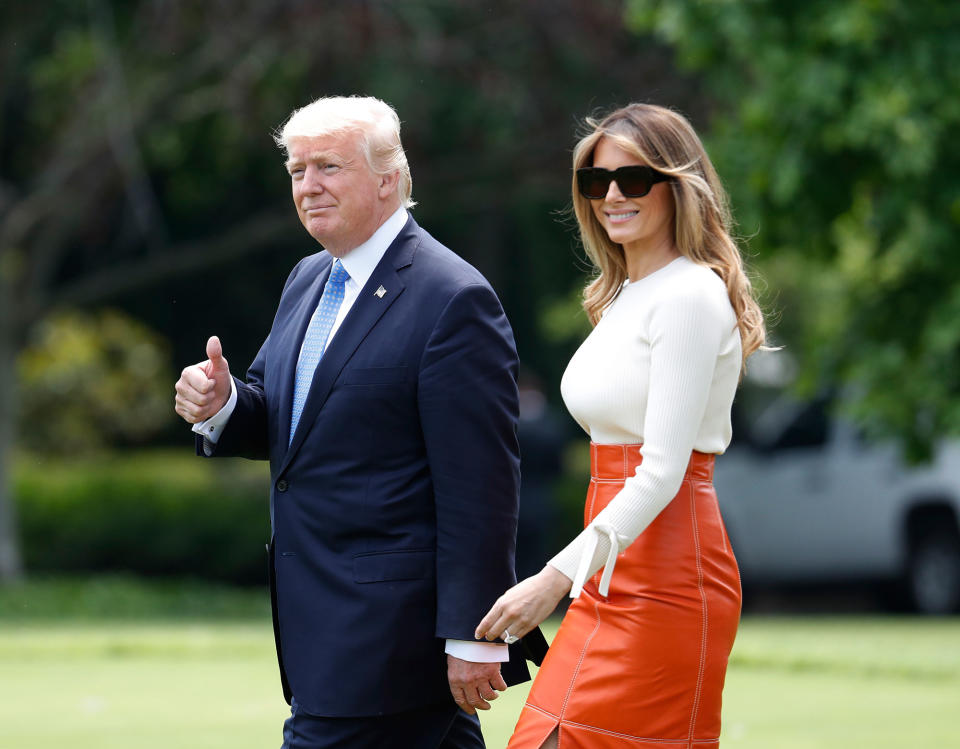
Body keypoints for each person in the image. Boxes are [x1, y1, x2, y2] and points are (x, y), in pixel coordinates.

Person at [174, 95, 529, 749]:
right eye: (297, 170)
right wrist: (222, 403)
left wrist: (473, 635)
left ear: (389, 178)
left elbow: (479, 486)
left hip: (385, 640)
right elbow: (288, 421)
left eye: (328, 167)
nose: (308, 186)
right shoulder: (309, 278)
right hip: (329, 631)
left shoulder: (452, 298)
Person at [476, 103, 767, 749]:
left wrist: (553, 578)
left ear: (677, 184)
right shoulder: (619, 295)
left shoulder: (690, 294)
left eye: (633, 179)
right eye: (595, 181)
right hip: (606, 569)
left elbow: (662, 471)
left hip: (668, 575)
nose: (611, 195)